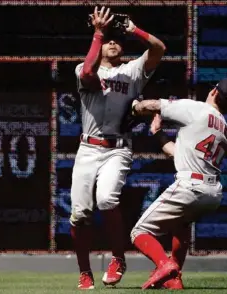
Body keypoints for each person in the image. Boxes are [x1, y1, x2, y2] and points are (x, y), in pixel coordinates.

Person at [70, 6, 166, 289]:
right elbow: (88, 72)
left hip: (117, 148)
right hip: (88, 148)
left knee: (107, 200)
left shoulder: (132, 71)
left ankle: (118, 258)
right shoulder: (85, 67)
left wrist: (134, 30)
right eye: (108, 39)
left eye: (117, 39)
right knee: (79, 214)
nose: (113, 42)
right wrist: (99, 33)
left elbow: (159, 48)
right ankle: (84, 271)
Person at [130, 78, 227, 289]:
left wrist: (134, 106)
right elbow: (178, 154)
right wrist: (158, 134)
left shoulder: (197, 109)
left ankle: (165, 265)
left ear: (214, 92)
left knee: (139, 232)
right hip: (212, 193)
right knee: (180, 226)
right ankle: (174, 279)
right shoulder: (223, 127)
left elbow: (153, 106)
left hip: (190, 186)